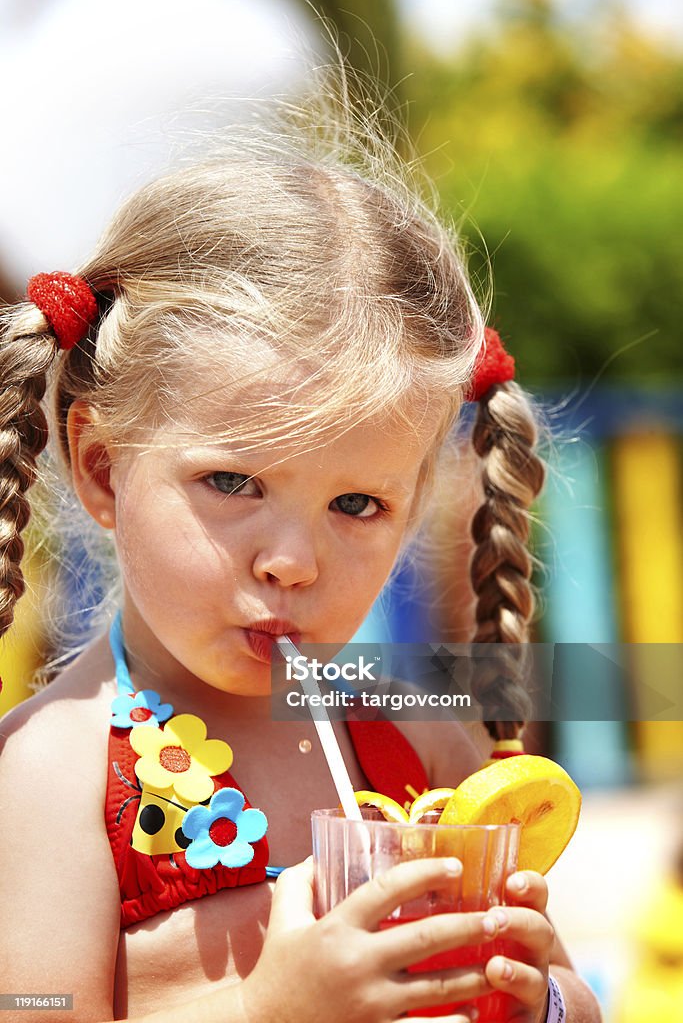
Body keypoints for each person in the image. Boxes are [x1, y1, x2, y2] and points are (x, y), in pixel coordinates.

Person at [0, 91, 601, 1023]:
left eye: (356, 505)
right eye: (233, 483)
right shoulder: (49, 776)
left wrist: (542, 1001)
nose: (290, 561)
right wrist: (266, 1011)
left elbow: (563, 981)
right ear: (104, 470)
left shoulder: (427, 742)